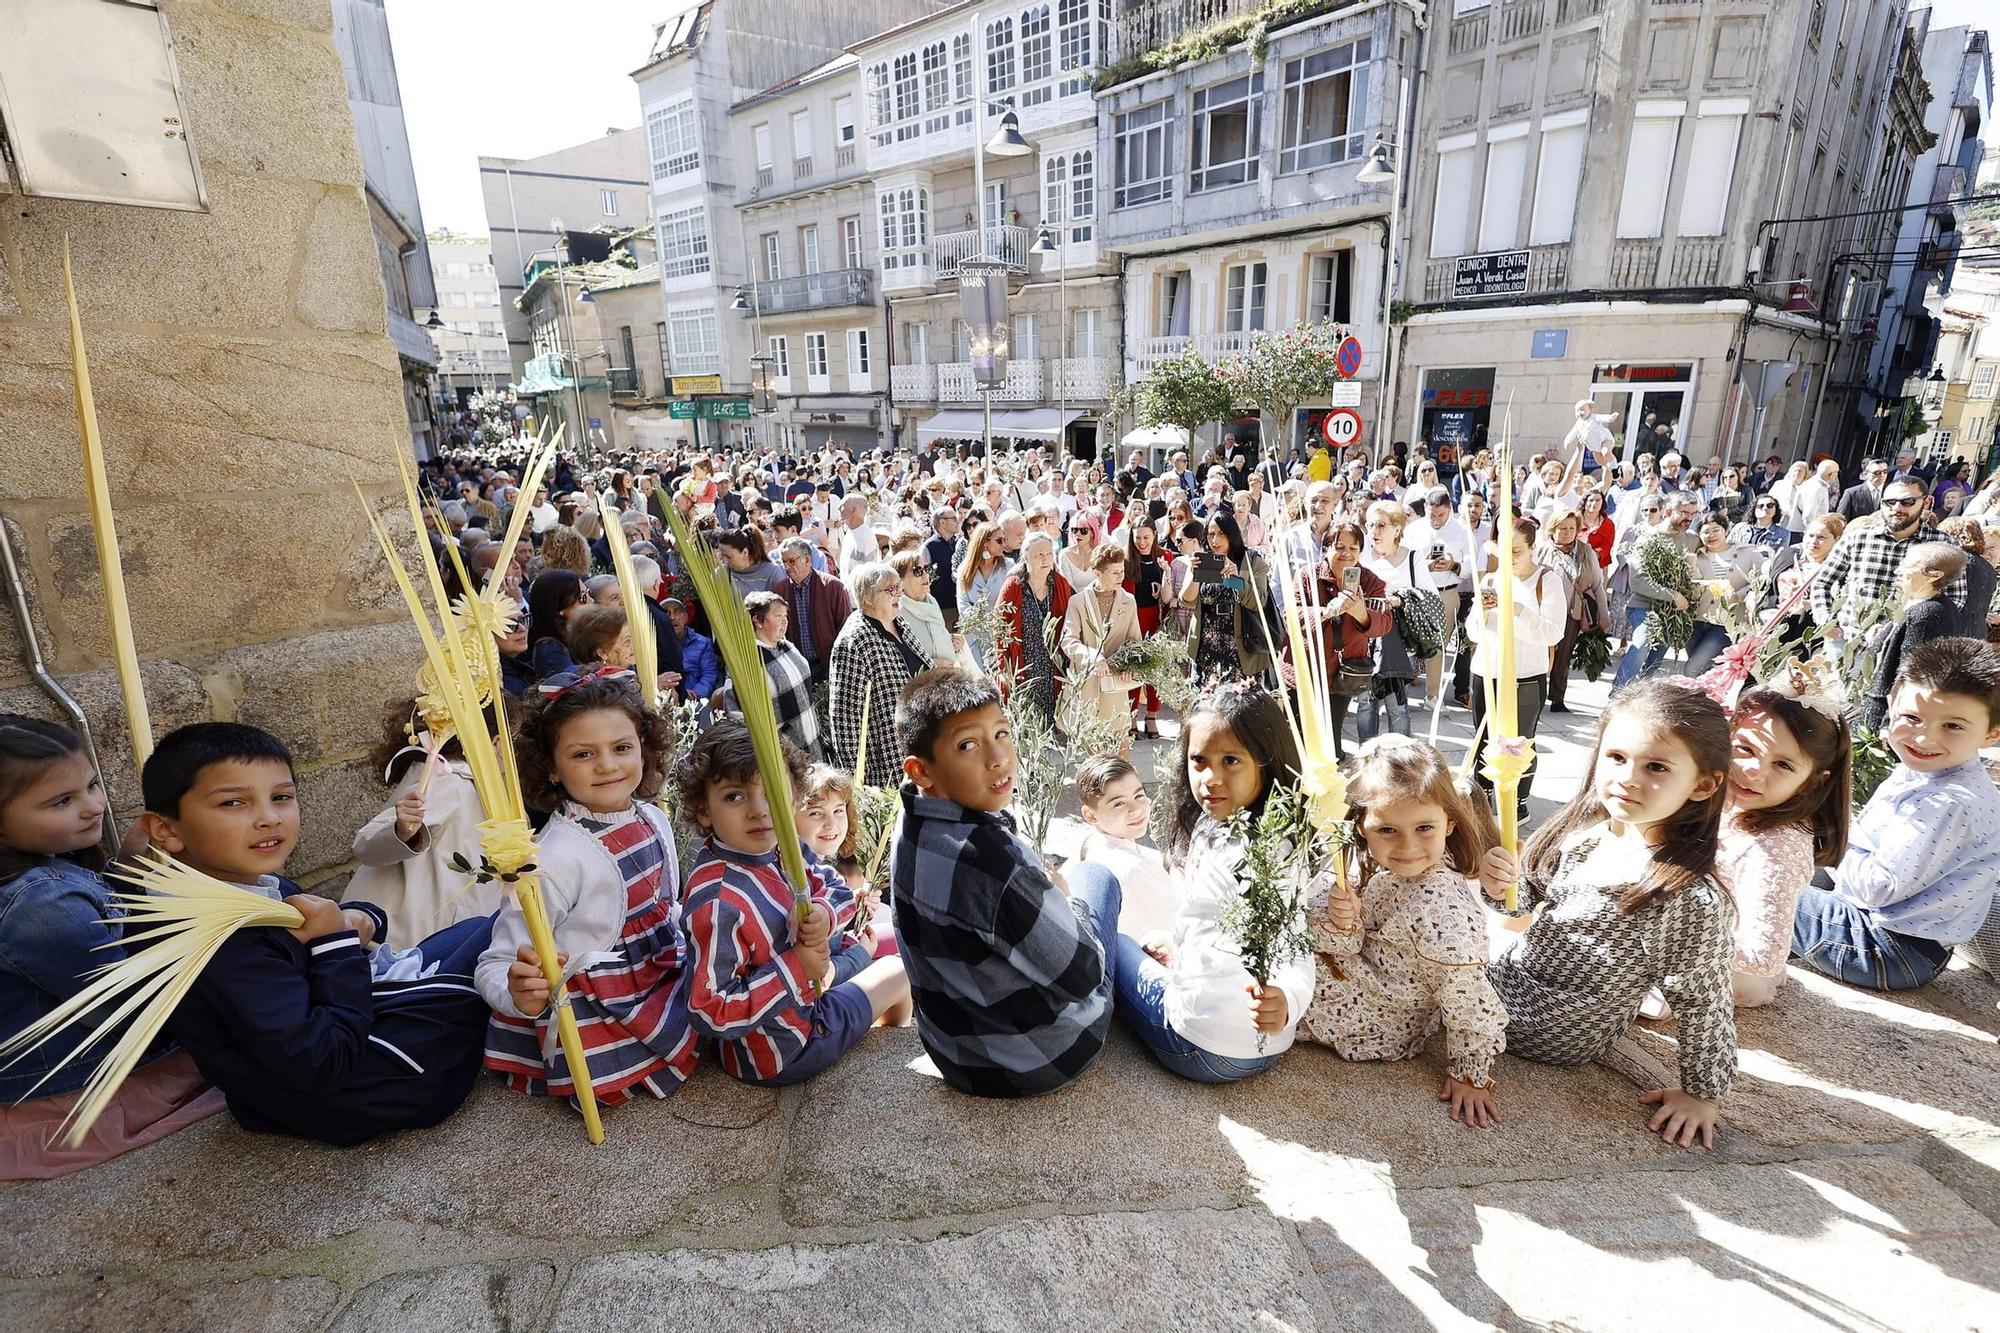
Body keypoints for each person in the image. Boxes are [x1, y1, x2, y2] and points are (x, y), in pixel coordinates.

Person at [143, 723, 493, 1146]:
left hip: (300, 1072)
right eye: (233, 802)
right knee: (492, 950)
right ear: (167, 830)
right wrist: (334, 947)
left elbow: (328, 925)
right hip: (362, 1092)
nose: (269, 817)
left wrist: (359, 920)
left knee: (475, 931)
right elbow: (326, 1062)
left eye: (281, 797)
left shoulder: (240, 884)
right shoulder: (217, 938)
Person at [1487, 681, 1738, 1149]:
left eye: (1656, 767)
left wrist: (1703, 1094)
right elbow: (1523, 905)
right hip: (1516, 977)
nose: (1628, 777)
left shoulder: (1682, 894)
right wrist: (1497, 886)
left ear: (1704, 784)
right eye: (1617, 757)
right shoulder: (1592, 832)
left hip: (1556, 1023)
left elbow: (1705, 1000)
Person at [0, 717, 224, 1178]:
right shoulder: (41, 904)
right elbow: (129, 1011)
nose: (93, 806)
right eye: (62, 801)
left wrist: (128, 872)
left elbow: (99, 929)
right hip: (77, 1094)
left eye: (91, 785)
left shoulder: (47, 873)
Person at [1066, 681, 1313, 1084]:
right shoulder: (1279, 836)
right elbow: (1290, 944)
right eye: (1199, 761)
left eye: (1231, 760)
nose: (1211, 777)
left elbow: (1273, 945)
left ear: (1265, 761)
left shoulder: (1236, 841)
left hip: (1201, 1049)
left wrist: (1180, 958)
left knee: (1121, 944)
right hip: (1272, 1043)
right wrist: (1287, 1002)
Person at [479, 673, 697, 1109]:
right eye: (583, 754)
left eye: (621, 747)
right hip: (597, 1010)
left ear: (644, 748)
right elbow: (496, 960)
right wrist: (517, 992)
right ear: (552, 769)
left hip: (656, 976)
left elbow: (664, 905)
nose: (608, 765)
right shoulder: (552, 857)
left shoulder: (653, 819)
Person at [889, 668, 1111, 1097]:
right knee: (1096, 879)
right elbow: (1082, 975)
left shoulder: (911, 816)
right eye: (968, 745)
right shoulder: (992, 862)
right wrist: (1069, 904)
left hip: (953, 1055)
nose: (998, 758)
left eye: (1002, 733)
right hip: (1035, 1059)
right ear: (921, 770)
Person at [677, 721, 909, 1086]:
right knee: (900, 971)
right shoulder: (720, 900)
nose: (759, 810)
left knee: (895, 937)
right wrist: (796, 967)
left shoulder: (781, 843)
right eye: (734, 796)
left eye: (771, 790)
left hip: (811, 984)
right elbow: (709, 1011)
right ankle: (890, 1065)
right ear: (702, 809)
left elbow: (833, 886)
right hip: (786, 1043)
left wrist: (823, 912)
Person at [1300, 736, 1513, 1128]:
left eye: (1424, 827)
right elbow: (1354, 940)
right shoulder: (1372, 863)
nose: (1407, 846)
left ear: (1449, 823)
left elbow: (1469, 997)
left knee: (1278, 985)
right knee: (1287, 943)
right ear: (1362, 825)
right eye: (1388, 830)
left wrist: (1470, 1073)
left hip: (1382, 1012)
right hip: (1367, 975)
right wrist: (1344, 923)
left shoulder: (1441, 914)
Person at [1792, 638, 2000, 990]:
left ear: (1991, 734)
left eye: (1953, 726)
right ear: (1891, 703)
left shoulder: (1948, 802)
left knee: (1758, 886)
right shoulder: (1929, 771)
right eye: (1912, 717)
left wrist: (1830, 835)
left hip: (1883, 948)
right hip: (1900, 943)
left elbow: (1879, 886)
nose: (1924, 738)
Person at [1723, 681, 1852, 1008]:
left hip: (1725, 972)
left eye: (1783, 764)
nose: (1754, 771)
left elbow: (1763, 955)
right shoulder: (1739, 802)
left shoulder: (1776, 848)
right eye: (1746, 749)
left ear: (1814, 779)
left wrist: (1673, 940)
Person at [350, 708, 492, 950]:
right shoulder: (452, 782)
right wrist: (402, 832)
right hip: (407, 939)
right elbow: (366, 844)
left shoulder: (480, 787)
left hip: (436, 936)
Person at [1467, 517, 1566, 816]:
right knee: (1484, 739)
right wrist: (1483, 614)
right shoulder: (1491, 580)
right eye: (1505, 550)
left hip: (1526, 675)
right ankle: (1481, 797)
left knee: (1520, 743)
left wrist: (1516, 610)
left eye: (1518, 551)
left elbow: (1552, 632)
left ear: (1533, 548)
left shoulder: (1546, 580)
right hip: (1487, 671)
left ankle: (1517, 802)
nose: (1509, 558)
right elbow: (1473, 631)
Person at [1810, 477, 1966, 647]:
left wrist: (1914, 632)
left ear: (1927, 502)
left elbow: (1955, 599)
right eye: (1890, 502)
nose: (1897, 508)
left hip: (1904, 649)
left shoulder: (1944, 546)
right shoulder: (1857, 538)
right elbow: (1822, 583)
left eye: (1908, 501)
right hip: (1848, 643)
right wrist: (1826, 623)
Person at [828, 562, 934, 787]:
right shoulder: (853, 642)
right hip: (889, 768)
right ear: (866, 598)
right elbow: (846, 721)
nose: (899, 593)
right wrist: (858, 783)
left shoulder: (898, 621)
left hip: (925, 747)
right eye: (890, 590)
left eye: (898, 587)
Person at [1291, 521, 1389, 759]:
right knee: (1300, 740)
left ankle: (1330, 788)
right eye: (1340, 547)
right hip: (1306, 669)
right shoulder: (1307, 576)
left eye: (1353, 549)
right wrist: (1326, 611)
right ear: (1326, 548)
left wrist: (1361, 613)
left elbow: (1385, 623)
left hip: (1344, 672)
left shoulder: (1369, 580)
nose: (1346, 554)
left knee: (1330, 741)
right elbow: (1291, 617)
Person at [1862, 544, 1970, 733]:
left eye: (1908, 566)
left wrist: (1889, 724)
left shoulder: (1927, 614)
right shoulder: (1925, 605)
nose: (1898, 570)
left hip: (1884, 721)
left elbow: (1913, 671)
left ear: (1934, 575)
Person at [1073, 755, 1178, 943]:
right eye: (1119, 803)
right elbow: (1178, 932)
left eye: (1139, 796)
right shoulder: (1134, 870)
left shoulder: (1090, 844)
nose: (1136, 809)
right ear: (1090, 815)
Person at [1359, 501, 1435, 738]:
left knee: (1398, 707)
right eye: (1370, 525)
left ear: (1397, 528)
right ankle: (1366, 762)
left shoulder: (1413, 558)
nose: (1374, 531)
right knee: (1365, 705)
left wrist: (1399, 600)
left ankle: (1401, 766)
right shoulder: (1360, 558)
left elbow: (1431, 598)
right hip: (1365, 642)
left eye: (1381, 525)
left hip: (1399, 645)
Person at [714, 593, 821, 758]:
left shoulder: (787, 646)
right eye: (778, 615)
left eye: (785, 615)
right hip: (785, 758)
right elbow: (738, 718)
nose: (785, 621)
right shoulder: (747, 662)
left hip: (810, 746)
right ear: (757, 620)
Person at [1062, 545, 1141, 745]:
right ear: (1097, 573)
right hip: (1087, 684)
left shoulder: (1129, 601)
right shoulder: (1077, 602)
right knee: (1092, 749)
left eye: (1122, 571)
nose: (1120, 576)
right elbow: (1068, 640)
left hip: (1116, 685)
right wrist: (1091, 656)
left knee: (1121, 747)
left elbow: (1134, 641)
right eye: (1114, 572)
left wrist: (1130, 665)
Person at [1181, 513, 1272, 685]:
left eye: (1221, 533)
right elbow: (1187, 601)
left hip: (1241, 650)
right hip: (1206, 650)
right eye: (1210, 534)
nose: (1214, 540)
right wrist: (1194, 575)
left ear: (1232, 534)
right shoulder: (1202, 560)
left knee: (1240, 706)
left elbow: (1259, 602)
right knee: (1207, 707)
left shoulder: (1251, 561)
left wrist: (1236, 580)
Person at [1537, 509, 1610, 714]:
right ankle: (1537, 697)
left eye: (1572, 528)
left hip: (1573, 613)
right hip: (1544, 612)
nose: (1568, 532)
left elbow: (1597, 585)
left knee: (1563, 657)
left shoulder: (1586, 552)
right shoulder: (1542, 550)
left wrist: (1603, 616)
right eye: (1562, 528)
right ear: (1553, 529)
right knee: (1542, 656)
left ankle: (1558, 699)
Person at [999, 533, 1071, 720]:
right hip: (1024, 660)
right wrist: (1004, 667)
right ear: (1025, 557)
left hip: (1052, 661)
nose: (1045, 559)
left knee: (1053, 714)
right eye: (1039, 555)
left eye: (1049, 553)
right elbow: (999, 627)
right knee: (1027, 714)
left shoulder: (1059, 583)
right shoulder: (1014, 586)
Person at [773, 537, 855, 685]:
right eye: (783, 562)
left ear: (808, 560)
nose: (787, 567)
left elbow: (846, 630)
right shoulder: (780, 590)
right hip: (797, 667)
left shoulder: (833, 587)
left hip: (828, 665)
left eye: (792, 561)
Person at [1684, 517, 1760, 676]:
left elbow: (1762, 580)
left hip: (1726, 622)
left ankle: (1687, 699)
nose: (1711, 535)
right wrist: (1691, 567)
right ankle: (1704, 699)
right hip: (1697, 620)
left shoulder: (1748, 552)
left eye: (1716, 530)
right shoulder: (1697, 556)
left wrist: (1740, 595)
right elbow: (1692, 589)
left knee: (1692, 668)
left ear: (1726, 530)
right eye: (1705, 532)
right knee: (1706, 670)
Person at [1123, 521, 1174, 738]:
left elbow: (1169, 594)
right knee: (1134, 667)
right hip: (1133, 619)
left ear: (1154, 535)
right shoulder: (1127, 561)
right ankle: (1132, 715)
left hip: (1156, 618)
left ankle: (1152, 715)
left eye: (1146, 537)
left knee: (1155, 669)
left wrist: (1166, 575)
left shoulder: (1165, 556)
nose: (1142, 542)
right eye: (1137, 538)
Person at [956, 520, 1012, 671]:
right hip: (976, 638)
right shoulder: (965, 570)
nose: (1003, 545)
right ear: (984, 542)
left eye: (1004, 540)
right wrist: (982, 622)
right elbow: (963, 604)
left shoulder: (1009, 567)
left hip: (1004, 637)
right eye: (999, 540)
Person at [892, 548, 961, 670]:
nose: (925, 575)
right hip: (920, 683)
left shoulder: (931, 601)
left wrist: (951, 643)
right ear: (900, 579)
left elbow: (932, 638)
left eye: (927, 569)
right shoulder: (896, 612)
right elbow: (898, 658)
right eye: (917, 571)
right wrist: (930, 664)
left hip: (947, 677)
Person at [526, 569, 586, 680]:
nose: (591, 601)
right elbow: (573, 687)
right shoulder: (549, 650)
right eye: (583, 598)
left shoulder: (573, 636)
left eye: (588, 593)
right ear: (560, 606)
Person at [716, 528, 784, 600]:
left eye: (728, 557)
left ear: (745, 552)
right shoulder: (721, 574)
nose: (724, 561)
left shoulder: (773, 572)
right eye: (722, 555)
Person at [1836, 457, 1888, 523]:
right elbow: (1840, 520)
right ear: (1865, 474)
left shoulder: (1892, 492)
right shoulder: (1851, 493)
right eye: (1877, 472)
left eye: (1885, 472)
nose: (1882, 475)